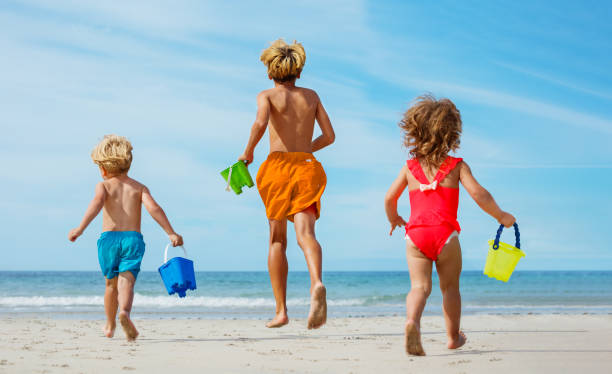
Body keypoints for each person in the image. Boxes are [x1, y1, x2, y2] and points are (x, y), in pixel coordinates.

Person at [384, 95, 516, 355]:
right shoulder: (456, 166)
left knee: (419, 287)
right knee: (450, 287)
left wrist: (394, 218)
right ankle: (453, 337)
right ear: (451, 132)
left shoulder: (410, 168)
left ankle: (412, 321)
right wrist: (501, 216)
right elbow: (480, 194)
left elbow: (389, 198)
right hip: (445, 235)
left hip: (416, 235)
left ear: (416, 132)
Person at [238, 39, 335, 329]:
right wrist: (305, 149)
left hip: (277, 169)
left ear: (269, 72)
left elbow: (259, 124)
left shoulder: (266, 95)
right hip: (306, 167)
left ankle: (281, 311)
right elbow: (329, 136)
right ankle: (316, 282)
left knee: (277, 238)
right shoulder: (312, 96)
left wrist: (248, 152)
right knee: (307, 233)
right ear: (299, 72)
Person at [68, 135, 183, 341]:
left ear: (103, 168)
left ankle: (110, 324)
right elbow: (154, 209)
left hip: (108, 240)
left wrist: (80, 228)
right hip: (132, 240)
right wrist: (171, 232)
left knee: (110, 285)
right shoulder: (139, 187)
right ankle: (125, 313)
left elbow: (96, 204)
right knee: (127, 282)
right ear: (128, 164)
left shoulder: (103, 186)